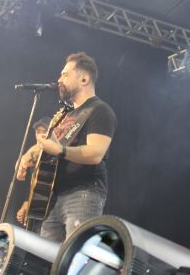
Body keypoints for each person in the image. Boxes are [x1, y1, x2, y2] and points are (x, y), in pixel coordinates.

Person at [17, 52, 117, 242]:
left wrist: (61, 151)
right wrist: (27, 157)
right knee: (46, 255)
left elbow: (96, 153)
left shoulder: (100, 110)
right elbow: (47, 146)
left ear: (84, 79)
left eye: (65, 74)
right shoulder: (65, 115)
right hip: (52, 197)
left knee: (72, 254)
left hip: (83, 194)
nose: (59, 79)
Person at [15, 117, 50, 231]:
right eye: (38, 132)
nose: (40, 135)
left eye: (44, 131)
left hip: (50, 209)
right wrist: (26, 203)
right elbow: (34, 184)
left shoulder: (51, 149)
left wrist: (22, 162)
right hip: (36, 205)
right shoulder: (35, 150)